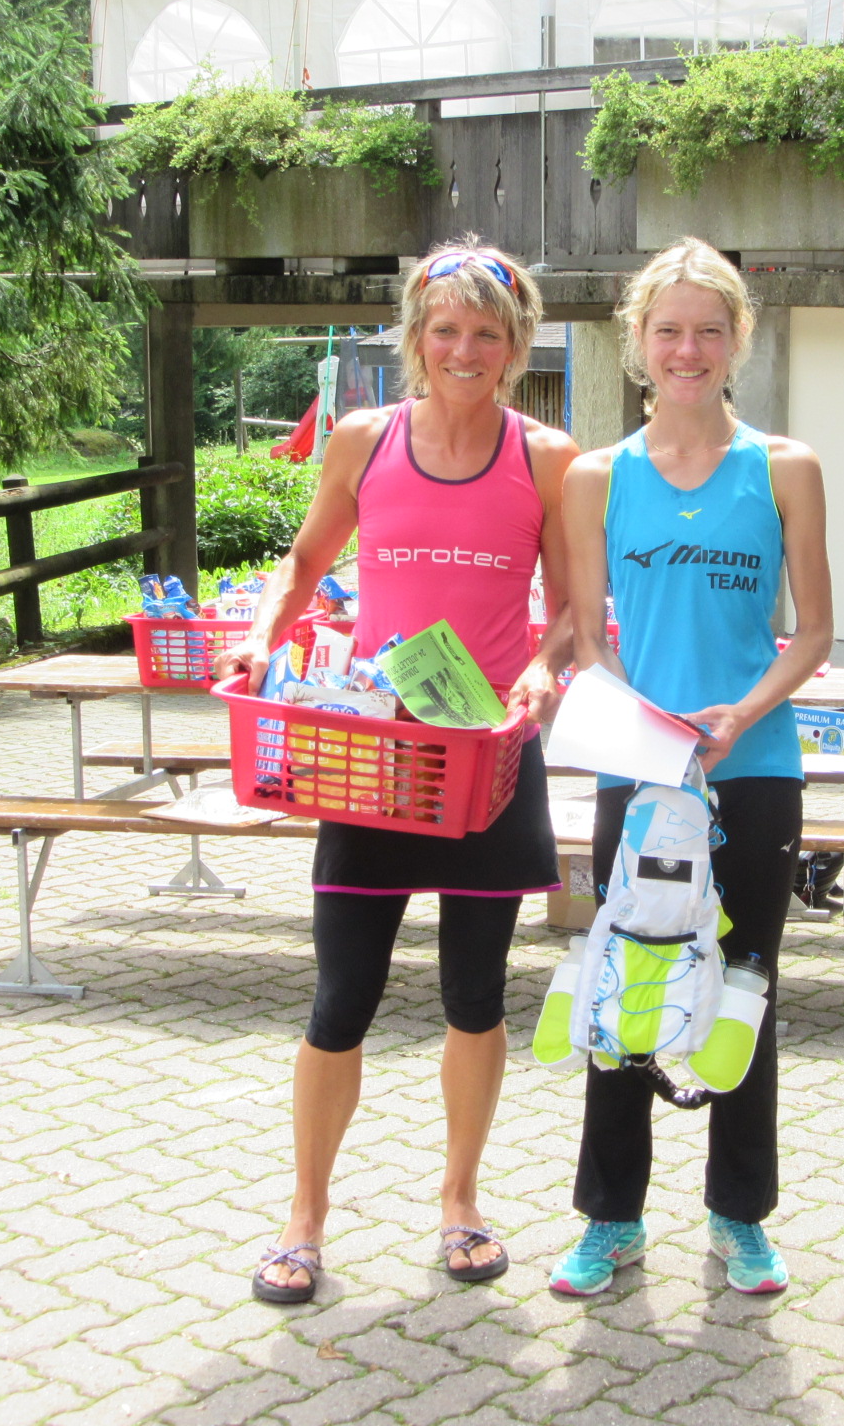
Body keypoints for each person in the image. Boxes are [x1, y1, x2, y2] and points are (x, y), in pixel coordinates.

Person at [217, 241, 579, 1305]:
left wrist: (544, 675)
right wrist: (260, 636)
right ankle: (304, 1217)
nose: (464, 350)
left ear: (515, 345)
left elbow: (570, 606)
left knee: (475, 997)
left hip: (486, 759)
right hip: (371, 757)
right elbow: (305, 561)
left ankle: (460, 1200)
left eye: (486, 333)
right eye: (446, 330)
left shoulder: (547, 457)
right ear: (417, 336)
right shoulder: (365, 440)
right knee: (341, 999)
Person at [553, 237, 833, 1297]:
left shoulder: (785, 467)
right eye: (667, 330)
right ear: (637, 340)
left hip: (753, 769)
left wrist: (740, 713)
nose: (687, 349)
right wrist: (653, 728)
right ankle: (610, 1220)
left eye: (707, 330)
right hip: (638, 774)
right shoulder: (596, 477)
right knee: (622, 986)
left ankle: (739, 1218)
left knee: (744, 989)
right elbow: (589, 640)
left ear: (737, 340)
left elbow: (814, 632)